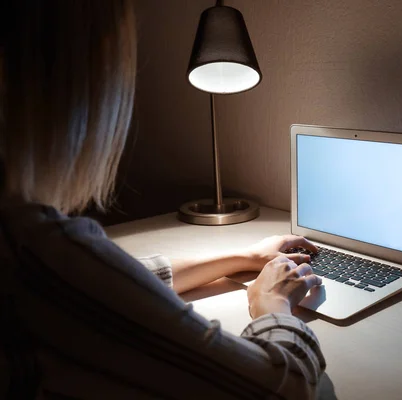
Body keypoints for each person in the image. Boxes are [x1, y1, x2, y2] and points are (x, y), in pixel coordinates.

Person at [0, 1, 325, 399]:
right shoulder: (32, 252)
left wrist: (243, 257)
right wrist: (272, 303)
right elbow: (285, 388)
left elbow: (111, 285)